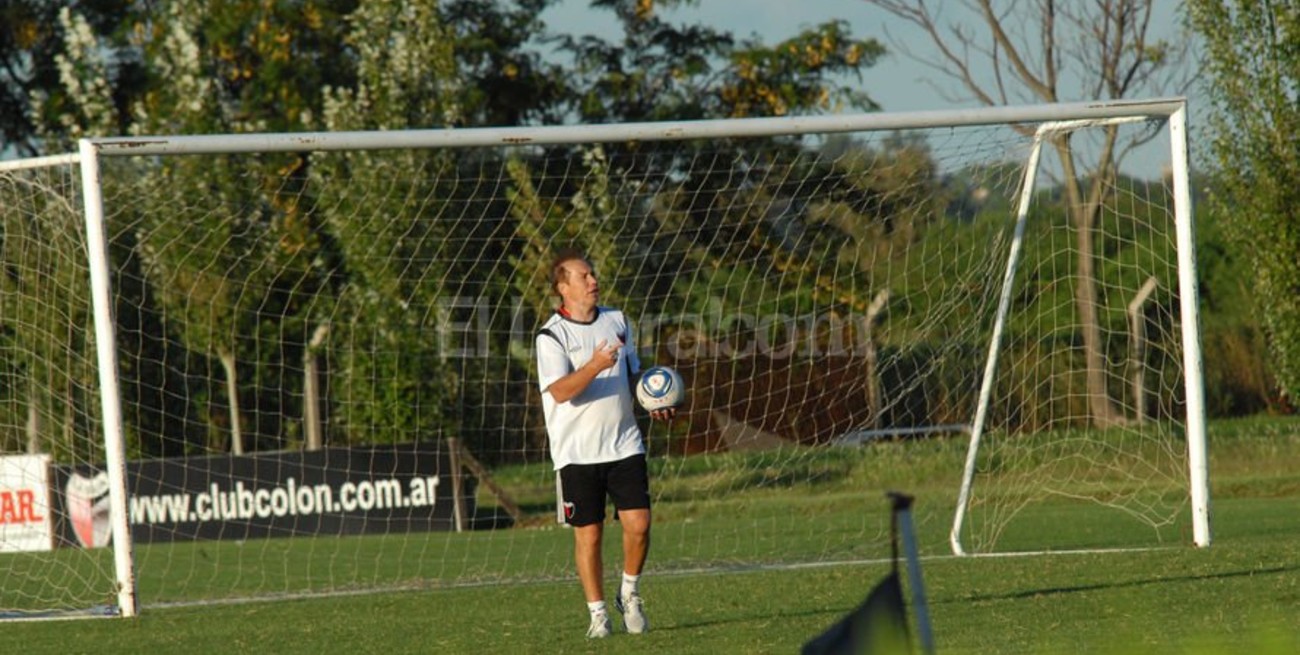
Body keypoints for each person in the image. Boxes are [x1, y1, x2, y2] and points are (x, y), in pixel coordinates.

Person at [535, 250, 675, 639]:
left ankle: (629, 592)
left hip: (624, 444)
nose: (593, 281)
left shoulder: (618, 321)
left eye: (593, 274)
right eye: (584, 277)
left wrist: (652, 400)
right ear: (564, 288)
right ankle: (597, 614)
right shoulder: (551, 335)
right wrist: (595, 364)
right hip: (576, 453)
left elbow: (632, 376)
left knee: (640, 524)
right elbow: (561, 392)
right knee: (590, 533)